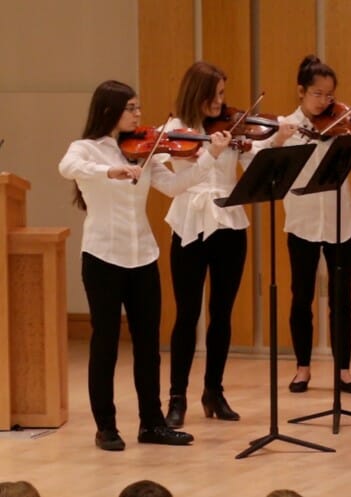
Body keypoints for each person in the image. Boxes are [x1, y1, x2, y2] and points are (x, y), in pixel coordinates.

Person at [59, 80, 201, 451]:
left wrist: (211, 159)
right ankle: (105, 426)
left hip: (143, 257)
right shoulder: (86, 149)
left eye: (138, 108)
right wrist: (112, 172)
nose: (139, 115)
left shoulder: (145, 149)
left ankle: (151, 424)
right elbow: (67, 166)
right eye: (132, 109)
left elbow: (172, 187)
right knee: (105, 343)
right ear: (110, 111)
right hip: (103, 256)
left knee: (148, 346)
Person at [256, 55, 351, 395]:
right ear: (301, 91)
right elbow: (264, 162)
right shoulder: (287, 126)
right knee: (302, 297)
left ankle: (344, 371)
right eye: (317, 93)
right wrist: (279, 139)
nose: (325, 101)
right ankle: (303, 368)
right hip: (302, 222)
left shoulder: (341, 125)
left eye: (329, 94)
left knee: (343, 300)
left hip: (342, 222)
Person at [163, 61, 250, 428]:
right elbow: (178, 175)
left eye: (223, 95)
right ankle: (177, 397)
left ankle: (213, 390)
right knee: (186, 314)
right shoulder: (174, 129)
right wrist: (211, 152)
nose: (221, 103)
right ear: (197, 95)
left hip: (230, 222)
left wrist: (271, 142)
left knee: (222, 312)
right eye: (215, 95)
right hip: (189, 222)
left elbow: (252, 157)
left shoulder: (231, 127)